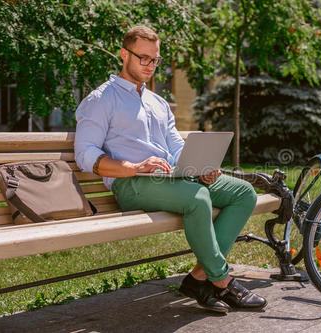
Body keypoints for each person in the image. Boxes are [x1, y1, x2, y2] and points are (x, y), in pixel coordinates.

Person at [74, 26, 267, 314]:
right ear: (123, 54)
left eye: (155, 60)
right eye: (143, 58)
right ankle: (221, 279)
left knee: (243, 192)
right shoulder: (102, 99)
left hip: (172, 177)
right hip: (132, 183)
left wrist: (201, 166)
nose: (150, 66)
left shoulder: (157, 102)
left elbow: (176, 145)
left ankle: (198, 277)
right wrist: (134, 167)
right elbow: (85, 153)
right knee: (197, 197)